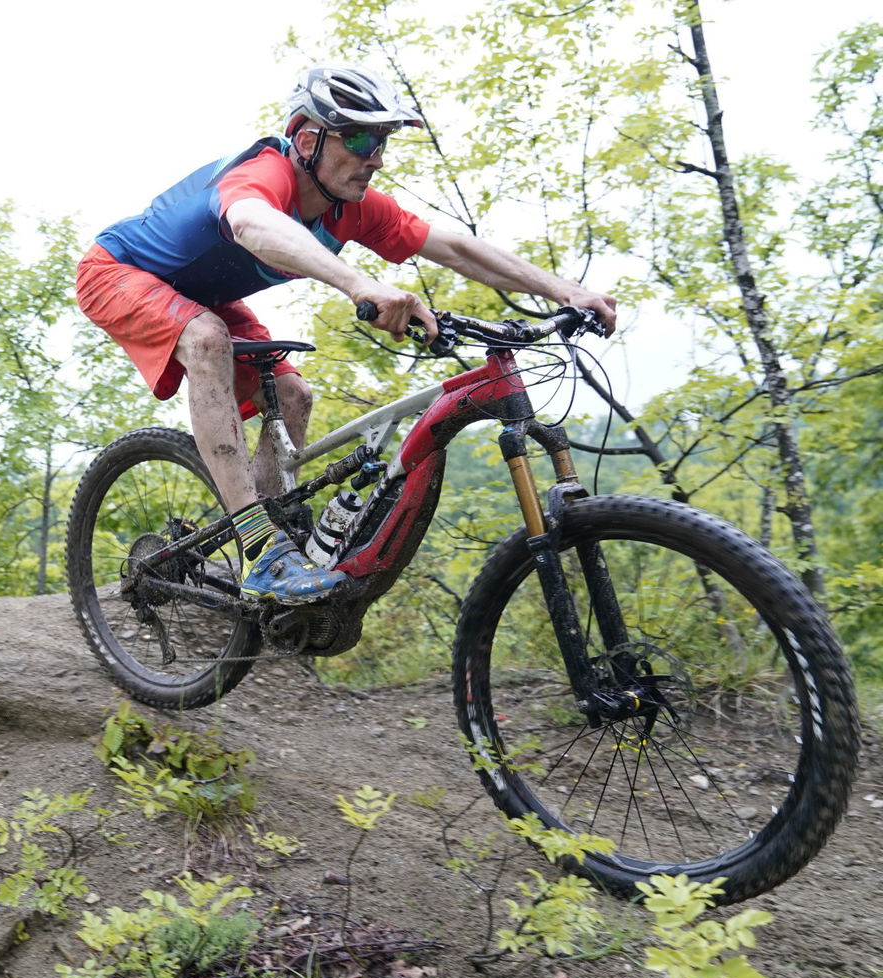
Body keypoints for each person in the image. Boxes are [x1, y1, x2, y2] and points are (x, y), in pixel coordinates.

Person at [75, 64, 618, 606]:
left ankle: (267, 554)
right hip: (116, 271)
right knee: (207, 340)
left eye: (381, 142)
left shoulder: (353, 209)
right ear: (307, 140)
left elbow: (453, 249)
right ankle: (259, 548)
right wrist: (360, 284)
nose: (375, 158)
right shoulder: (265, 174)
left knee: (293, 396)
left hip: (202, 296)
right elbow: (250, 223)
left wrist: (566, 291)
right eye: (359, 140)